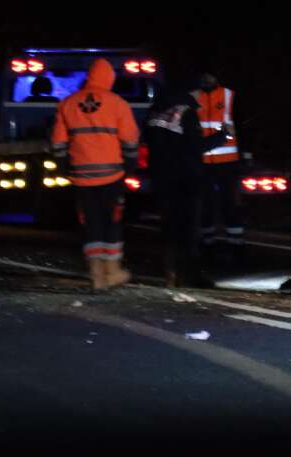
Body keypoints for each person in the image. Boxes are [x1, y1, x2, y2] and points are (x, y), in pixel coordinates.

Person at [50, 58, 140, 290]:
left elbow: (58, 142)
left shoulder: (67, 103)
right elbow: (130, 138)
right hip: (111, 174)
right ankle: (112, 272)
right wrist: (130, 162)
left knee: (90, 223)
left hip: (81, 175)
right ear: (109, 78)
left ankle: (96, 275)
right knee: (111, 221)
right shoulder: (117, 103)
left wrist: (63, 164)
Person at [146, 85, 229, 287]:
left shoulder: (157, 109)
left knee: (169, 227)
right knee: (189, 228)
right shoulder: (187, 112)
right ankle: (191, 275)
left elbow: (148, 140)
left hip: (162, 177)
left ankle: (169, 273)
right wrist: (222, 136)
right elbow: (195, 147)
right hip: (186, 178)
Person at [191, 71, 245, 265]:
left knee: (230, 204)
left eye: (210, 75)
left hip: (227, 162)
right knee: (206, 205)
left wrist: (246, 156)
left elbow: (242, 126)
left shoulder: (229, 95)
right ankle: (208, 244)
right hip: (203, 161)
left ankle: (236, 244)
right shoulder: (194, 97)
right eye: (203, 75)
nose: (206, 79)